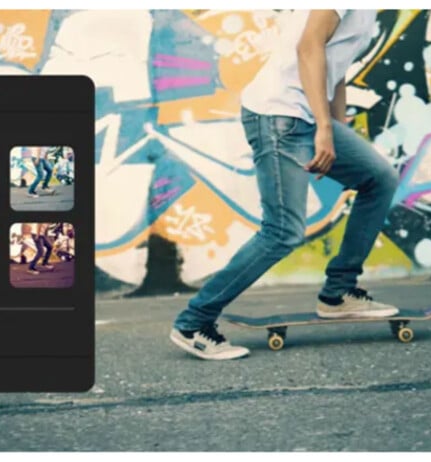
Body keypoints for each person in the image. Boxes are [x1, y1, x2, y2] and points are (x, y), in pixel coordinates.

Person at [171, 10, 400, 360]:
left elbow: (333, 70)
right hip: (280, 115)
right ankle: (193, 322)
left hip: (305, 113)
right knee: (282, 231)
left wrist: (336, 131)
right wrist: (324, 128)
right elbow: (309, 47)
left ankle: (338, 293)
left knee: (379, 178)